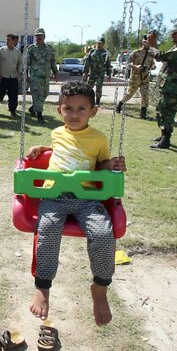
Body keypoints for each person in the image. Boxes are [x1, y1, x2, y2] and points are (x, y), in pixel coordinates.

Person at [25, 81, 126, 326]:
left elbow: (98, 163)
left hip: (87, 197)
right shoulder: (57, 132)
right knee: (47, 231)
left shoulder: (99, 138)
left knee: (104, 234)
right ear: (59, 110)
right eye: (68, 108)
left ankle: (100, 288)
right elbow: (62, 149)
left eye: (81, 109)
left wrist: (111, 164)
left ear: (93, 111)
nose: (74, 114)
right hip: (54, 196)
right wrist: (42, 147)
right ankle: (43, 287)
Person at [146, 23, 177, 149]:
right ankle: (163, 135)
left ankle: (166, 139)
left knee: (167, 111)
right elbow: (162, 54)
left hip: (172, 86)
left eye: (175, 32)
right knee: (161, 110)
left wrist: (151, 46)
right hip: (168, 85)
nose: (172, 34)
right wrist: (153, 44)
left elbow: (160, 56)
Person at [116, 35, 156, 119]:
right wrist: (135, 66)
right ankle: (120, 104)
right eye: (145, 40)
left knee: (145, 95)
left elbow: (152, 64)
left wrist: (152, 67)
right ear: (143, 41)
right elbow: (127, 63)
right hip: (135, 77)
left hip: (145, 78)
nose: (147, 43)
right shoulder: (136, 52)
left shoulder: (151, 54)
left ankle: (143, 113)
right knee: (130, 93)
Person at [26, 28, 58, 123]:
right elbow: (26, 64)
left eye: (40, 36)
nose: (39, 37)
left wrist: (56, 73)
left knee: (45, 94)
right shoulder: (31, 49)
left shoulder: (49, 48)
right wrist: (26, 75)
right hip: (35, 77)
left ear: (44, 37)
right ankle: (39, 114)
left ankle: (33, 108)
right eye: (37, 36)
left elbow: (53, 62)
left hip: (46, 76)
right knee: (37, 95)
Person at [0, 33, 23, 117]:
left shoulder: (17, 51)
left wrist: (19, 71)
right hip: (3, 77)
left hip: (13, 77)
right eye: (6, 40)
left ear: (13, 41)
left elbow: (20, 62)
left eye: (9, 40)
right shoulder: (1, 50)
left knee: (13, 95)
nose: (7, 41)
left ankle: (12, 110)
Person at [82, 37, 111, 106]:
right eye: (97, 43)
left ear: (103, 44)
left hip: (100, 73)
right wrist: (85, 72)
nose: (98, 44)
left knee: (99, 87)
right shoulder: (92, 51)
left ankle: (97, 102)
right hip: (92, 73)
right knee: (88, 87)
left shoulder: (106, 53)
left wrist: (109, 75)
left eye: (100, 43)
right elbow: (87, 62)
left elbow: (108, 65)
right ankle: (88, 101)